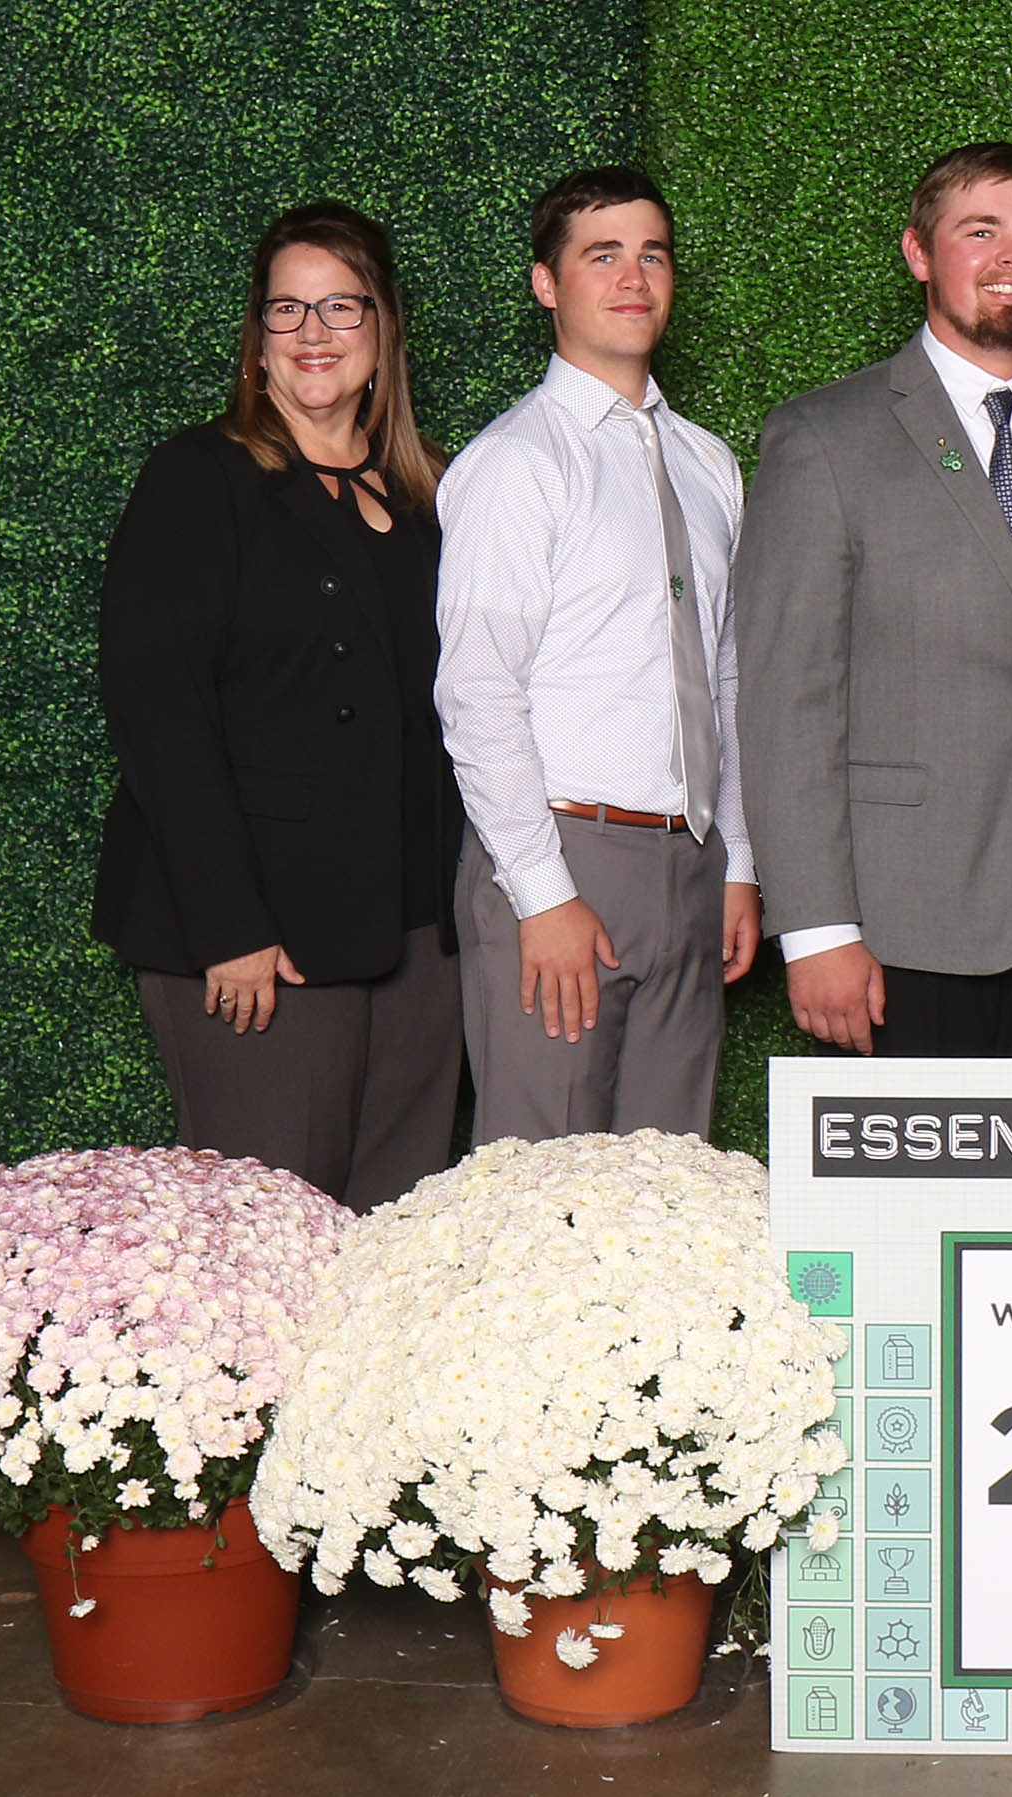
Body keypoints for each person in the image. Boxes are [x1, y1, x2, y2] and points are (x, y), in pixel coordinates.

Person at [734, 142, 1012, 1058]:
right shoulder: (823, 437)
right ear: (918, 253)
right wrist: (819, 930)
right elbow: (788, 703)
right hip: (904, 923)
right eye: (979, 231)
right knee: (917, 1204)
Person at [93, 202, 462, 1209]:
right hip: (267, 940)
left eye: (341, 308)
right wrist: (230, 926)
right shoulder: (199, 478)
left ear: (383, 333)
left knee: (393, 1241)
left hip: (418, 936)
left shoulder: (431, 495)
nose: (313, 335)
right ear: (254, 342)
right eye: (286, 310)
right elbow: (158, 710)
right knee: (274, 1236)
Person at [434, 167, 758, 1144]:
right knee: (545, 1194)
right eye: (601, 254)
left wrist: (736, 861)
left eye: (651, 254)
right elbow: (477, 693)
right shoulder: (516, 463)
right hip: (564, 860)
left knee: (669, 1190)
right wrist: (544, 894)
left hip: (690, 868)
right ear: (547, 284)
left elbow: (723, 673)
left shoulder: (707, 462)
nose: (633, 277)